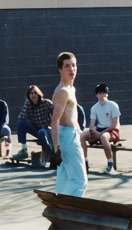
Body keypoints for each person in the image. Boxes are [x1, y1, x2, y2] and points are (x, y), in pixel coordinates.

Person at [50, 52, 87, 197]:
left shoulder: (71, 89)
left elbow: (71, 116)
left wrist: (79, 132)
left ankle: (58, 208)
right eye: (67, 66)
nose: (71, 69)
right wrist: (56, 146)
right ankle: (69, 209)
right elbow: (55, 119)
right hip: (66, 137)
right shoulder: (63, 91)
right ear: (60, 69)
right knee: (80, 181)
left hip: (72, 135)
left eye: (74, 65)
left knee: (64, 181)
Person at [80, 83, 121, 173]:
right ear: (96, 95)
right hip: (99, 129)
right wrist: (93, 130)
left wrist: (100, 134)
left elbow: (114, 125)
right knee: (82, 135)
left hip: (112, 130)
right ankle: (85, 162)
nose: (102, 95)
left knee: (104, 137)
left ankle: (110, 164)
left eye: (104, 93)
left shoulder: (113, 105)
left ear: (107, 94)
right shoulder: (94, 107)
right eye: (99, 93)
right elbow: (92, 124)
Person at [12, 85, 53, 165]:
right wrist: (27, 108)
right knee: (20, 123)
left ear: (39, 94)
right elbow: (21, 117)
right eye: (31, 93)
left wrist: (52, 123)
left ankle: (49, 152)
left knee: (42, 132)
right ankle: (24, 150)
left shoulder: (47, 103)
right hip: (36, 129)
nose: (33, 95)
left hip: (47, 130)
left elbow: (56, 114)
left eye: (35, 93)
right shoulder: (28, 104)